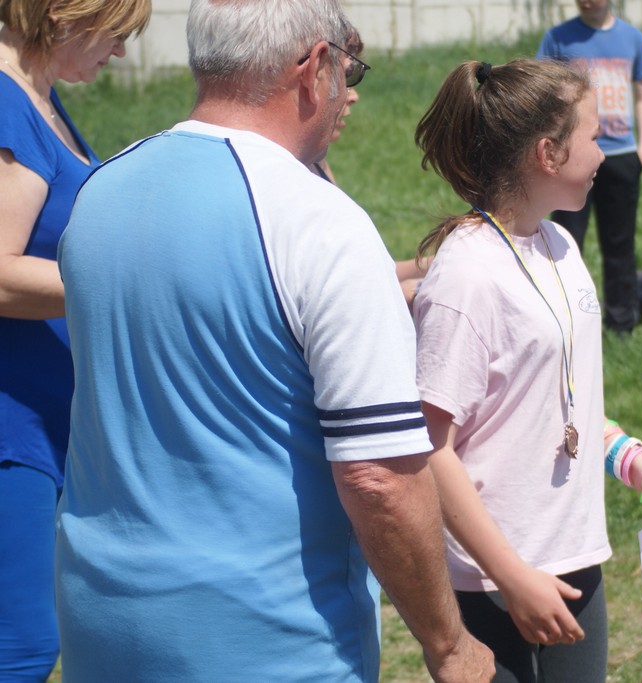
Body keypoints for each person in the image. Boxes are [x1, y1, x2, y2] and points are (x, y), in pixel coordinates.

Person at [53, 1, 493, 680]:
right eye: (349, 70)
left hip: (102, 621)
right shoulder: (320, 224)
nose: (347, 89)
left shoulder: (100, 191)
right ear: (315, 68)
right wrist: (449, 644)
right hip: (269, 640)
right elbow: (377, 477)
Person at [413, 58, 642, 683]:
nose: (604, 151)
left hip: (575, 557)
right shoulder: (466, 277)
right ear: (548, 153)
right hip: (490, 582)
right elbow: (431, 448)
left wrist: (634, 464)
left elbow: (562, 402)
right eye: (594, 135)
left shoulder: (560, 245)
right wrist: (511, 576)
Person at [0, 0, 150, 678]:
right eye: (114, 33)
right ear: (65, 13)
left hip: (44, 418)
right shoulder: (9, 105)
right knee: (22, 646)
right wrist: (136, 281)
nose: (118, 52)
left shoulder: (39, 96)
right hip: (13, 427)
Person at [536, 0, 642, 333]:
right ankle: (564, 316)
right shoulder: (557, 38)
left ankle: (621, 320)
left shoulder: (633, 38)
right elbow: (542, 97)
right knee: (565, 241)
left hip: (621, 155)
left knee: (620, 243)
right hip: (572, 158)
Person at [306, 28, 429, 304]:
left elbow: (376, 272)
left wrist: (441, 262)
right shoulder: (295, 177)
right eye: (347, 77)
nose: (353, 96)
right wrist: (408, 293)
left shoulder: (316, 162)